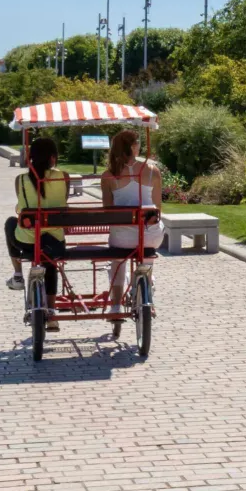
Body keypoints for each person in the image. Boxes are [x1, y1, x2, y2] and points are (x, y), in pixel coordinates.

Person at [100, 129, 163, 340]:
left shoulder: (109, 176)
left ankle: (116, 304)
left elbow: (108, 211)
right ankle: (148, 291)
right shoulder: (153, 171)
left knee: (118, 263)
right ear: (134, 146)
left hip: (123, 236)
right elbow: (157, 208)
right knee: (147, 257)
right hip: (150, 233)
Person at [4, 136, 67, 330]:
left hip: (27, 241)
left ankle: (17, 274)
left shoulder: (20, 180)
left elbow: (22, 204)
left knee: (10, 223)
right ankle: (52, 312)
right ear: (53, 157)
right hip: (55, 242)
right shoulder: (63, 176)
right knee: (51, 264)